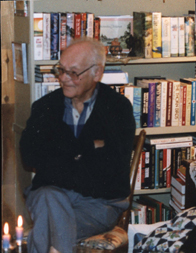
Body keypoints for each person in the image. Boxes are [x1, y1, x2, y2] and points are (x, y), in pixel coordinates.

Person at [20, 38, 136, 253]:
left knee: (48, 216)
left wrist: (61, 154)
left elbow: (112, 167)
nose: (64, 78)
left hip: (99, 205)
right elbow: (30, 156)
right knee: (49, 197)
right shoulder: (45, 107)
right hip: (51, 195)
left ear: (97, 73)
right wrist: (88, 148)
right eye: (61, 70)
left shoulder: (118, 109)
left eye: (74, 72)